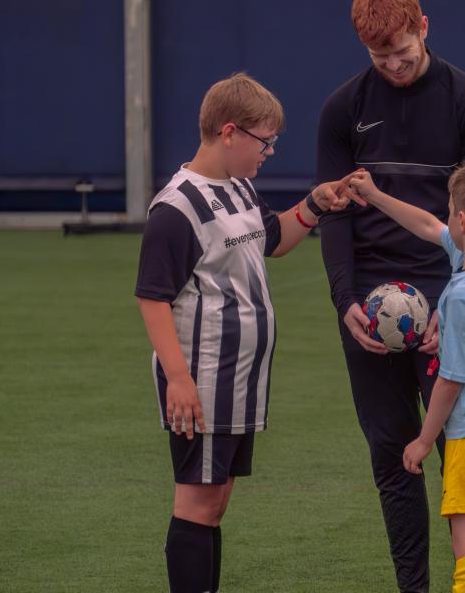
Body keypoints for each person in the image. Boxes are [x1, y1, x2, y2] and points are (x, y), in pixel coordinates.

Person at [315, 0, 465, 592]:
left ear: (423, 27)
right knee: (393, 459)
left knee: (464, 460)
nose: (394, 64)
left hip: (451, 303)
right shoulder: (343, 110)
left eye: (402, 49)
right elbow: (334, 214)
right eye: (379, 56)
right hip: (371, 309)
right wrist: (345, 304)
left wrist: (457, 304)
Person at [135, 72, 349, 592]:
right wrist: (180, 380)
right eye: (265, 141)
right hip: (204, 380)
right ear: (228, 132)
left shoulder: (239, 187)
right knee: (197, 503)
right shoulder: (177, 209)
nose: (270, 151)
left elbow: (270, 239)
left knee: (216, 501)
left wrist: (316, 204)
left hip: (240, 382)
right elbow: (152, 297)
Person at [346, 161, 465, 593]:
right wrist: (375, 196)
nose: (446, 215)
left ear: (464, 220)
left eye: (451, 208)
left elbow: (451, 380)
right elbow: (428, 225)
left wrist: (424, 440)